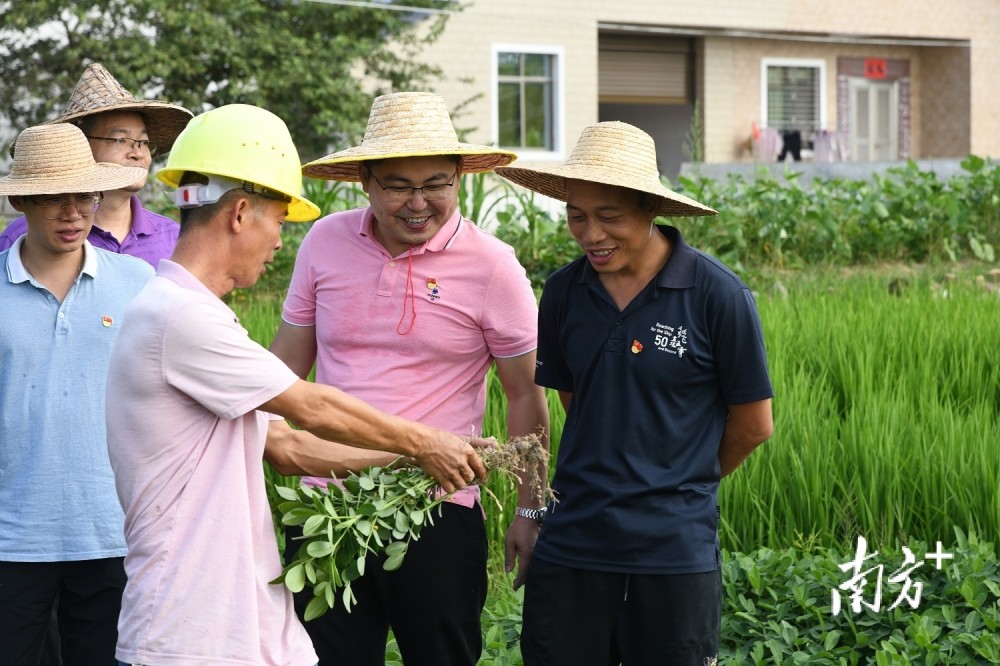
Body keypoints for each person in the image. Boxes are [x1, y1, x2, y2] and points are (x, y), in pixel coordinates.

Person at [105, 103, 490, 666]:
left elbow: (288, 448)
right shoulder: (180, 318)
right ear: (240, 213)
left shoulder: (194, 317)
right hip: (185, 630)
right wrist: (426, 442)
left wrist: (419, 463)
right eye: (279, 222)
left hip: (237, 624)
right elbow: (308, 404)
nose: (281, 243)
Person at [268, 91, 550, 665]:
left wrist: (530, 508)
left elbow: (525, 395)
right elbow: (282, 369)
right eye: (397, 185)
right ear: (365, 181)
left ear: (460, 180)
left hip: (437, 502)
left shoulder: (494, 265)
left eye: (437, 183)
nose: (418, 203)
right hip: (328, 504)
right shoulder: (324, 241)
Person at [495, 121, 774, 666]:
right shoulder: (563, 292)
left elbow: (754, 425)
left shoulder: (717, 294)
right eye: (578, 216)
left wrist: (679, 481)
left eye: (610, 217)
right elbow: (581, 406)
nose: (591, 233)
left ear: (652, 210)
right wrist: (532, 511)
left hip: (673, 549)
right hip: (573, 539)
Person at [0, 123, 155, 665]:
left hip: (110, 529)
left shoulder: (138, 282)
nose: (72, 213)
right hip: (12, 536)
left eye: (84, 196)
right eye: (52, 198)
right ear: (20, 199)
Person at [0, 62, 192, 267]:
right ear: (81, 147)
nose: (137, 153)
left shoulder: (173, 238)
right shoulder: (24, 239)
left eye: (143, 142)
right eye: (119, 140)